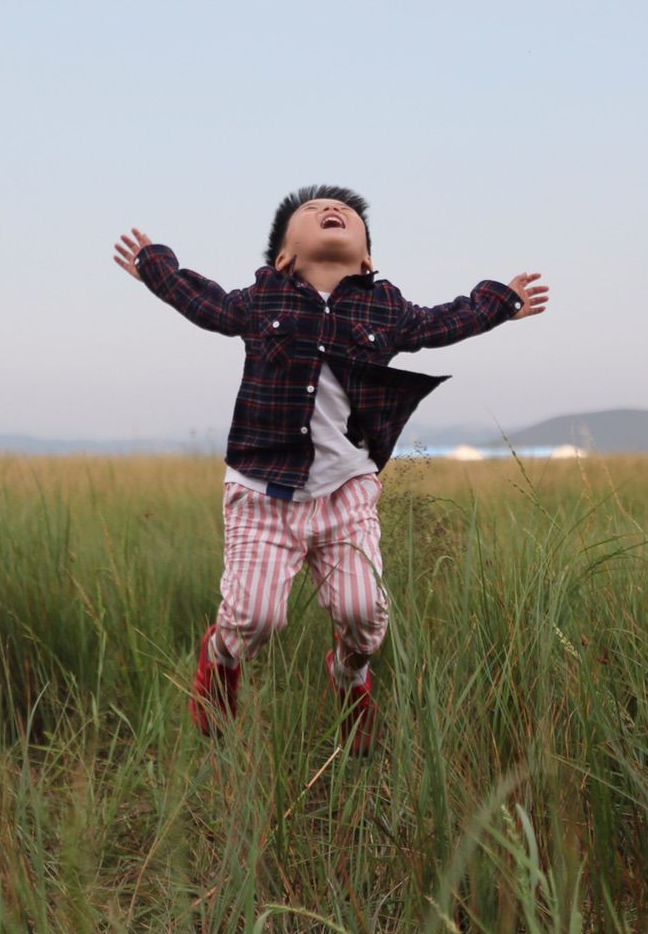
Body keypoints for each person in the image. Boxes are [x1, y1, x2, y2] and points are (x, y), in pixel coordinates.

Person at [110, 185, 548, 756]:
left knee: (364, 612)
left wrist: (502, 301)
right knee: (256, 617)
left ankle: (350, 680)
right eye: (312, 213)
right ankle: (220, 661)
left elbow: (447, 320)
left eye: (344, 214)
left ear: (367, 259)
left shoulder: (385, 308)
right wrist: (156, 268)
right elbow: (207, 303)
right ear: (285, 257)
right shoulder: (264, 300)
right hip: (264, 488)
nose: (330, 212)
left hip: (347, 492)